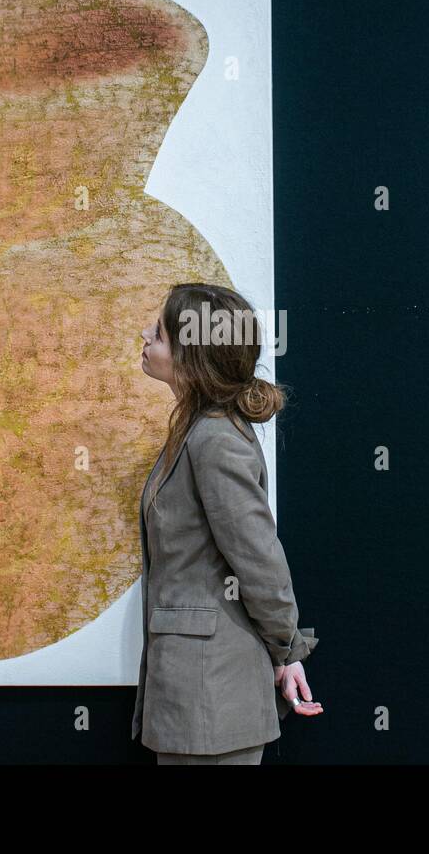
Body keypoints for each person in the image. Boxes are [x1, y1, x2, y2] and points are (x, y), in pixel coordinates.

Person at [132, 282, 322, 764]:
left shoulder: (214, 438)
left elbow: (259, 558)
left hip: (211, 698)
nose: (144, 336)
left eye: (157, 332)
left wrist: (288, 650)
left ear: (189, 355)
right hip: (195, 695)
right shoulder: (198, 430)